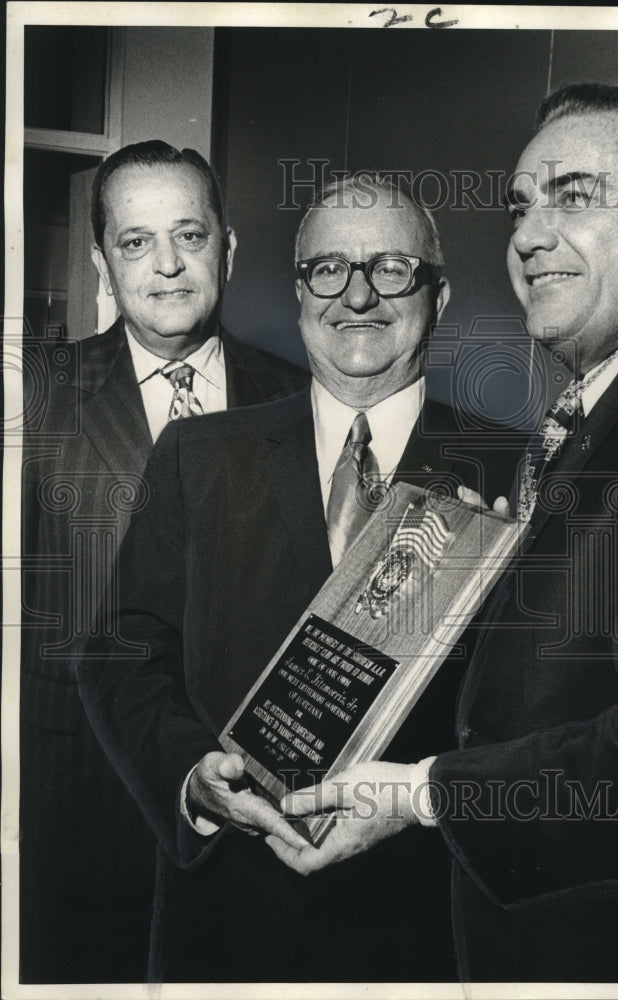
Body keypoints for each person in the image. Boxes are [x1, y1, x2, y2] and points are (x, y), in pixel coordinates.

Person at [269, 84, 618, 983]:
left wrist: (425, 792)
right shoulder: (615, 405)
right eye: (522, 204)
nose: (526, 235)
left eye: (575, 195)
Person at [77, 174, 520, 982]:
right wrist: (190, 780)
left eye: (390, 269)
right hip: (230, 927)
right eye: (327, 269)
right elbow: (123, 653)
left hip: (425, 929)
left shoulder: (512, 472)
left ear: (439, 293)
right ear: (297, 290)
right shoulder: (198, 455)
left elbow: (541, 718)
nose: (357, 295)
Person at [20, 140, 308, 983]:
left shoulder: (294, 396)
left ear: (228, 246)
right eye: (137, 241)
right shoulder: (36, 398)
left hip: (253, 814)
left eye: (189, 234)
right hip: (79, 803)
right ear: (103, 259)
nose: (170, 265)